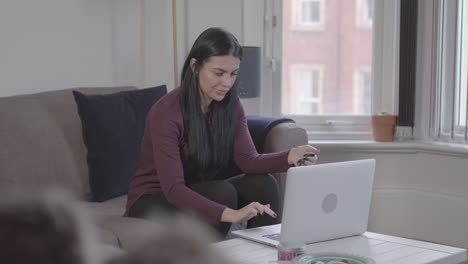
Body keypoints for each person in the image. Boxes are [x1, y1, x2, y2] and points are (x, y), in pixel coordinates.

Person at [125, 27, 319, 238]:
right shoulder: (166, 112)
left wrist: (289, 157)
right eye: (218, 73)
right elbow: (174, 189)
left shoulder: (231, 104)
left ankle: (268, 253)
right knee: (221, 192)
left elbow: (248, 160)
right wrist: (230, 214)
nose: (227, 83)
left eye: (233, 74)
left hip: (197, 188)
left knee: (262, 183)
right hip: (154, 199)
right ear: (195, 66)